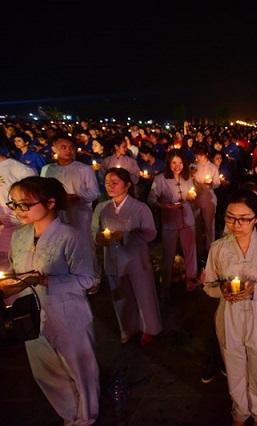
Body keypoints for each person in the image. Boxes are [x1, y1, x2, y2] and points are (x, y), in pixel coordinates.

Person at [1, 176, 99, 424]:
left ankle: (87, 418)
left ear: (50, 202)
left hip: (67, 312)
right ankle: (69, 415)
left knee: (80, 369)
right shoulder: (19, 236)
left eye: (25, 204)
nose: (18, 210)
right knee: (45, 370)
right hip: (29, 312)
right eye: (14, 204)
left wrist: (48, 282)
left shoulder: (71, 237)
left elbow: (88, 279)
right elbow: (15, 270)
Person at [203, 190, 257, 426]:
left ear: (256, 219)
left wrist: (255, 291)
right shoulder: (218, 248)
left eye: (243, 218)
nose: (236, 224)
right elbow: (209, 286)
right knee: (235, 369)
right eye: (230, 218)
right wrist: (222, 291)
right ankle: (240, 412)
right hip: (229, 317)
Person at [92, 168, 161, 346]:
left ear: (127, 184)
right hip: (113, 259)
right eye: (107, 183)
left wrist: (125, 236)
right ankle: (128, 328)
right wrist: (99, 238)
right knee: (121, 296)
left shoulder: (139, 208)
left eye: (115, 183)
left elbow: (151, 233)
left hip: (136, 258)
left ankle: (149, 328)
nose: (110, 186)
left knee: (143, 294)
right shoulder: (101, 208)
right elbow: (94, 231)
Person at [41, 134, 101, 292]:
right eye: (63, 147)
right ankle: (67, 278)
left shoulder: (84, 169)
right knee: (61, 246)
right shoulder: (48, 170)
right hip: (57, 215)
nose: (68, 151)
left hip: (80, 214)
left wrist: (77, 197)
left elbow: (94, 192)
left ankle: (92, 278)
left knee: (85, 245)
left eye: (71, 147)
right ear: (54, 149)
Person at [148, 149, 199, 298]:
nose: (178, 166)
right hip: (169, 220)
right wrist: (164, 206)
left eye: (180, 163)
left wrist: (191, 195)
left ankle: (191, 279)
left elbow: (192, 192)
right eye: (174, 163)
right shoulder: (160, 179)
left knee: (190, 251)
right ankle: (166, 286)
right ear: (168, 163)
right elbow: (151, 199)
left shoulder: (187, 177)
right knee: (168, 253)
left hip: (187, 218)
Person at [192, 143, 220, 255]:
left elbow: (217, 183)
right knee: (196, 225)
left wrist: (211, 183)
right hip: (196, 197)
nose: (198, 158)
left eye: (201, 155)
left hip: (209, 196)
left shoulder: (212, 167)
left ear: (206, 154)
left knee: (209, 225)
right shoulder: (193, 166)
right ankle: (197, 249)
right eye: (197, 155)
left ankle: (210, 249)